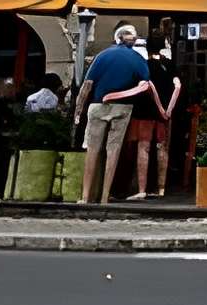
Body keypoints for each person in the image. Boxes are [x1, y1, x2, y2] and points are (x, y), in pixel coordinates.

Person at [77, 25, 150, 203]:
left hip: (98, 104)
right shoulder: (138, 59)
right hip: (123, 107)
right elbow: (145, 84)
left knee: (93, 149)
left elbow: (87, 85)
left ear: (117, 38)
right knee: (113, 150)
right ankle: (104, 197)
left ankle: (85, 196)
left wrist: (78, 110)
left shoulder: (102, 55)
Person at [128, 45, 182, 201]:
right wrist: (168, 109)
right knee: (162, 148)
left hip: (144, 110)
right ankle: (161, 188)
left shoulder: (143, 65)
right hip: (164, 112)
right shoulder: (170, 65)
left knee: (143, 147)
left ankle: (142, 189)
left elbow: (142, 86)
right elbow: (178, 86)